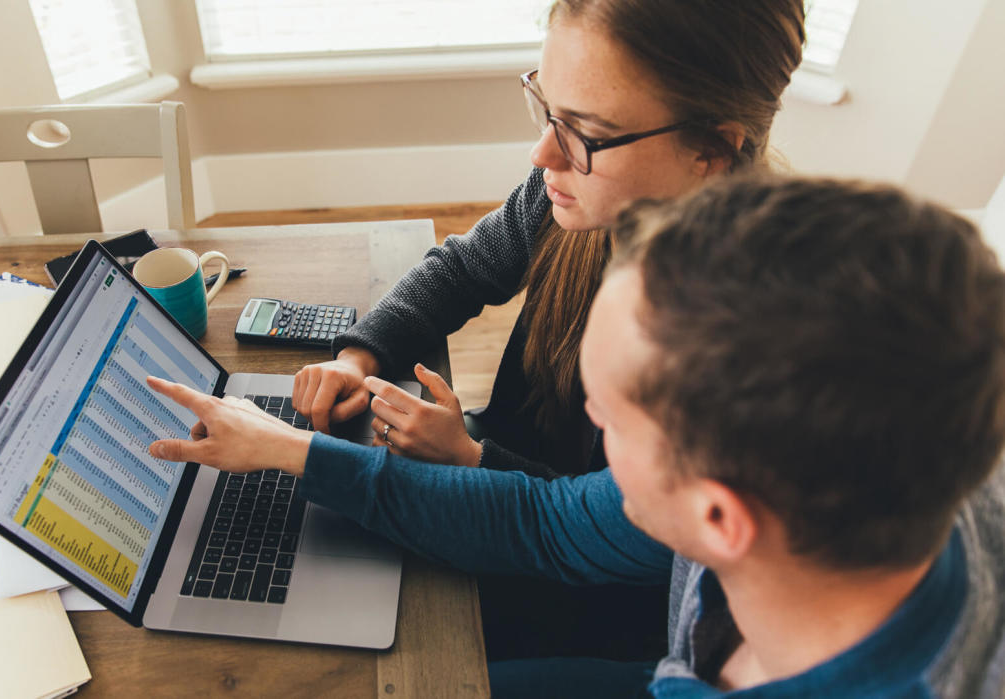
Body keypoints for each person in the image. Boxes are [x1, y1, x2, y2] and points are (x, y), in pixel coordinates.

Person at [145, 175, 1005, 697]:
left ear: (717, 520)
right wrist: (293, 449)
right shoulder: (898, 444)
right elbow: (548, 522)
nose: (589, 421)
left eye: (611, 413)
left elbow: (543, 522)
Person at [294, 0, 806, 661]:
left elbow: (564, 529)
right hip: (512, 482)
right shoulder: (578, 192)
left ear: (711, 148)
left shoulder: (742, 365)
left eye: (585, 132)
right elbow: (464, 268)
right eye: (546, 106)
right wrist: (359, 356)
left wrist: (467, 457)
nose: (542, 154)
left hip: (598, 603)